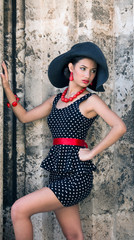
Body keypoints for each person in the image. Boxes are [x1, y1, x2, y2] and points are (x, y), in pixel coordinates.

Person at [1, 42, 126, 240]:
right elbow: (24, 117)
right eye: (83, 68)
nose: (88, 75)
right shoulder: (55, 100)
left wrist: (92, 152)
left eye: (92, 71)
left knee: (19, 209)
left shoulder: (90, 100)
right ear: (71, 68)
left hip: (77, 175)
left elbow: (120, 127)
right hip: (57, 172)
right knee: (74, 235)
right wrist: (7, 88)